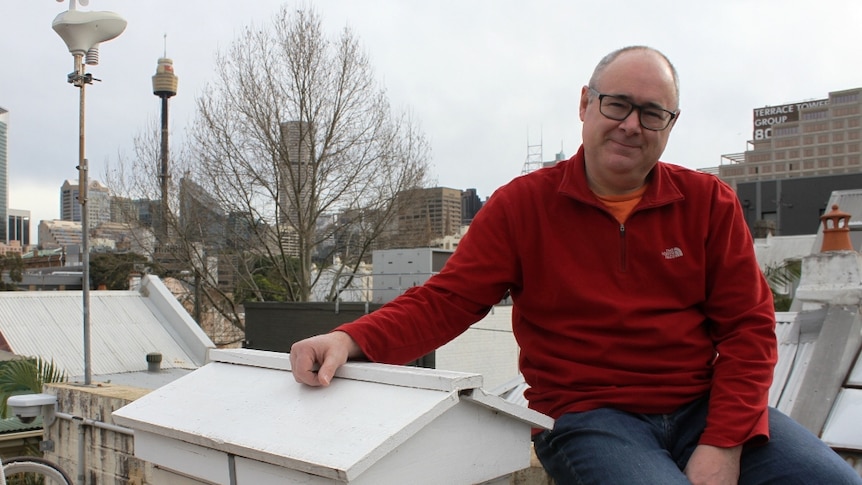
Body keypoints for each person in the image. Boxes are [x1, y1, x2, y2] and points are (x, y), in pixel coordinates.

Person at [290, 46, 862, 484]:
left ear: (670, 125)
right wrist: (350, 337)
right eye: (617, 104)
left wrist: (724, 442)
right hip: (591, 415)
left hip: (701, 406)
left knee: (831, 479)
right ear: (585, 104)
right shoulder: (523, 205)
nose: (631, 124)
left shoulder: (708, 203)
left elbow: (747, 328)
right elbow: (448, 300)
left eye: (652, 113)